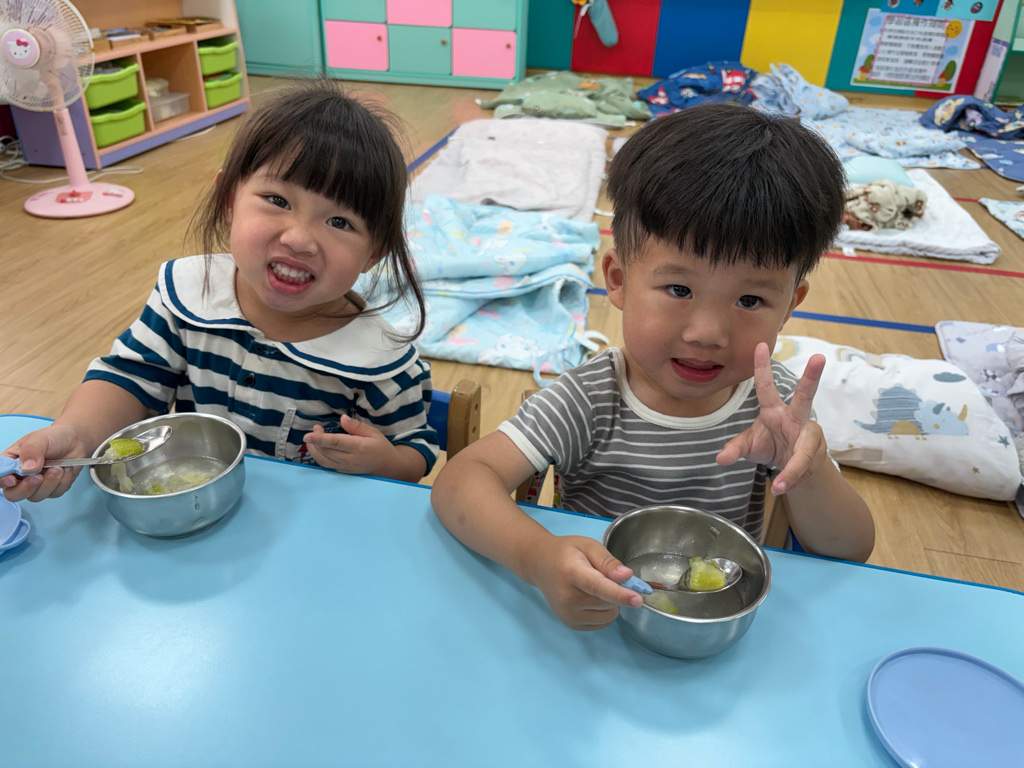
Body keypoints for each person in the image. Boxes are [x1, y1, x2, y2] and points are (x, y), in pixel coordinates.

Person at [431, 103, 875, 631]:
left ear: (790, 305)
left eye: (750, 300)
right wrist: (537, 555)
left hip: (713, 626)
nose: (707, 332)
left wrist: (809, 469)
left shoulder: (773, 404)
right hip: (592, 613)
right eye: (679, 289)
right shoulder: (592, 396)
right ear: (618, 280)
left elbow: (851, 549)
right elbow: (460, 482)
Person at [3, 79, 437, 502]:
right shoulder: (187, 297)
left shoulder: (380, 360)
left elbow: (416, 451)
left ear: (374, 253)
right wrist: (75, 434)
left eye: (339, 222)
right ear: (229, 201)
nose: (299, 239)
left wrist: (383, 462)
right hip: (193, 508)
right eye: (278, 201)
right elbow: (130, 381)